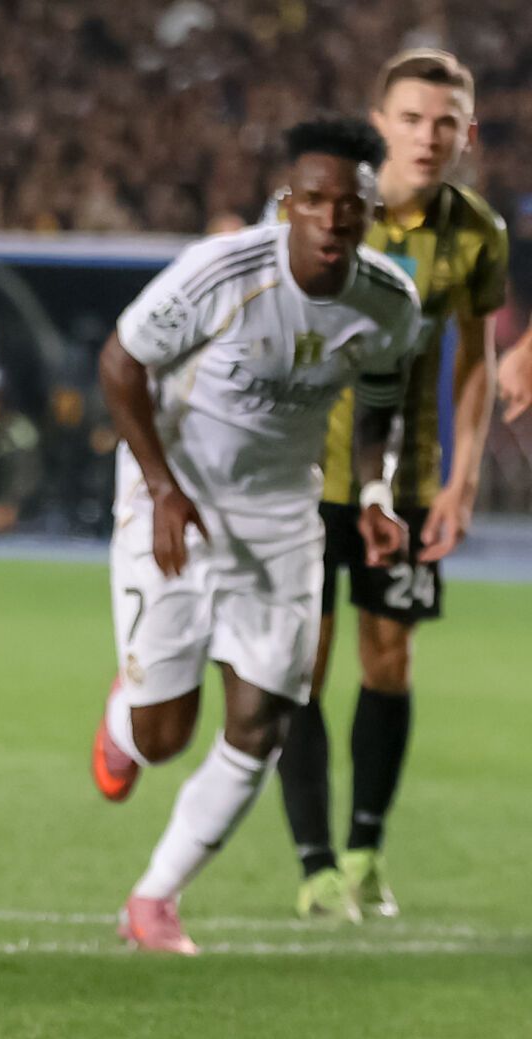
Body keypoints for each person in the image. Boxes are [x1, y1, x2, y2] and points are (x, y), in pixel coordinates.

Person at [89, 119, 422, 955]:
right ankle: (127, 720)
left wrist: (377, 491)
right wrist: (163, 488)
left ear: (371, 213)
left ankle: (155, 898)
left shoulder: (388, 300)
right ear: (288, 204)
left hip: (281, 517)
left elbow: (383, 395)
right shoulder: (223, 271)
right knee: (167, 737)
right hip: (177, 497)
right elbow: (120, 366)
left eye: (350, 206)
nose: (331, 219)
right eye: (313, 201)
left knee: (263, 717)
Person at [273, 51, 513, 922]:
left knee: (391, 658)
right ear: (380, 125)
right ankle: (314, 863)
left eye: (445, 122)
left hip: (405, 481)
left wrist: (462, 478)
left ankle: (367, 849)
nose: (428, 135)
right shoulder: (322, 205)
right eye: (411, 118)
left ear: (466, 135)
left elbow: (477, 366)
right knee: (302, 664)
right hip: (301, 472)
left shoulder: (478, 232)